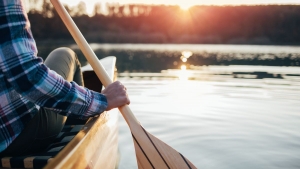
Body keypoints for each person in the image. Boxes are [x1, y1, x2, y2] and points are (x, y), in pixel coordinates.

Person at [0, 0, 130, 156]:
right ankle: (82, 131)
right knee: (65, 54)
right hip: (17, 135)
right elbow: (29, 77)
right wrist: (102, 102)